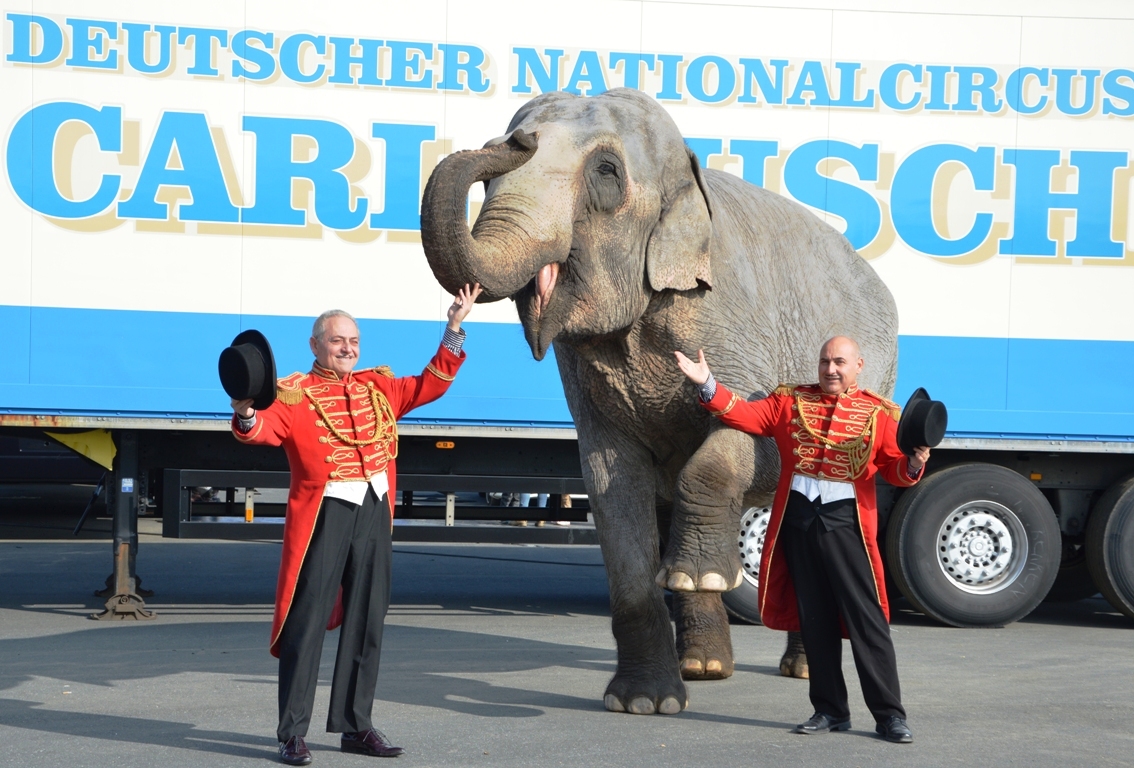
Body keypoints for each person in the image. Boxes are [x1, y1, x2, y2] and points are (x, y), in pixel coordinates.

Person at [231, 284, 482, 764]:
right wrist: (244, 412)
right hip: (324, 516)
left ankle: (354, 725)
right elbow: (259, 431)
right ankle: (291, 732)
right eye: (336, 341)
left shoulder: (378, 387)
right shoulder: (293, 394)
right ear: (315, 346)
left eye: (353, 341)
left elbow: (431, 383)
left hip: (374, 510)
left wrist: (453, 328)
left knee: (368, 620)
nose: (347, 349)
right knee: (305, 626)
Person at [674, 337, 929, 744]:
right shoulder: (790, 401)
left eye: (840, 362)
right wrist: (707, 383)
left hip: (847, 526)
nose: (830, 369)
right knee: (815, 621)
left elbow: (892, 470)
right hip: (798, 521)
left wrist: (913, 463)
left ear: (858, 365)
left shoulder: (879, 413)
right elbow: (745, 416)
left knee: (868, 623)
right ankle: (829, 710)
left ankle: (890, 716)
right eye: (825, 361)